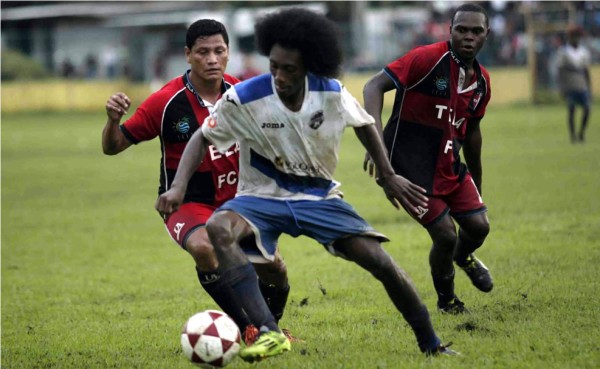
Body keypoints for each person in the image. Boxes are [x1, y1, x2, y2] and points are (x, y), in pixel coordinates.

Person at [156, 7, 456, 362]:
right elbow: (202, 138)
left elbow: (363, 124)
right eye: (274, 66)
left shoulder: (331, 93)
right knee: (219, 226)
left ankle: (431, 342)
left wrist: (388, 176)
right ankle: (268, 332)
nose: (279, 76)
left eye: (289, 69)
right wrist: (176, 188)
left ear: (311, 66)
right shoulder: (245, 97)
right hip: (260, 197)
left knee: (379, 261)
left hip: (318, 197)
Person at [101, 19, 292, 341]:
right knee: (205, 247)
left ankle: (270, 330)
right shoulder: (165, 102)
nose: (212, 59)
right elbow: (113, 146)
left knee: (274, 268)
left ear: (229, 53)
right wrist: (113, 121)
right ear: (188, 55)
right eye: (203, 52)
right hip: (188, 202)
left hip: (239, 203)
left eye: (219, 51)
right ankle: (247, 328)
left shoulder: (242, 94)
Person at [363, 3, 493, 315]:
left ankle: (465, 258)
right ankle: (447, 301)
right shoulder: (427, 58)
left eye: (476, 31)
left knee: (478, 228)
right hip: (408, 172)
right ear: (450, 31)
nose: (468, 37)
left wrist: (476, 182)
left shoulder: (483, 83)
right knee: (445, 234)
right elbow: (373, 86)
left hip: (448, 167)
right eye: (461, 29)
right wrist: (376, 143)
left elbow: (472, 135)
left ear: (487, 35)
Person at [557, 25, 592, 143]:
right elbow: (560, 71)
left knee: (587, 109)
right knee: (571, 110)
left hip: (582, 85)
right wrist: (562, 86)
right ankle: (572, 135)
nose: (575, 39)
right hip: (570, 85)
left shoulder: (584, 52)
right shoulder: (564, 52)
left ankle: (581, 132)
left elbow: (586, 70)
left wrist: (589, 86)